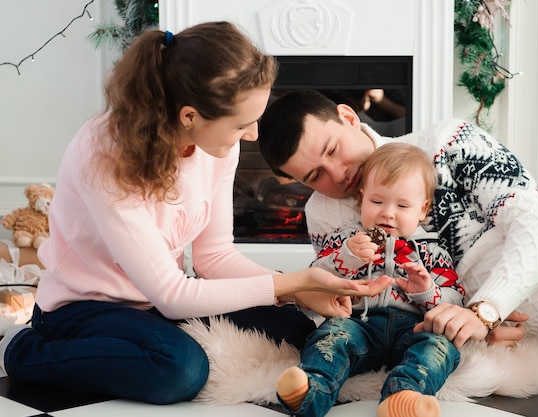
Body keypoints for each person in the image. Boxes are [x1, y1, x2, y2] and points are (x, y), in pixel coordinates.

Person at [0, 24, 393, 404]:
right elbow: (173, 295)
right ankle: (28, 350)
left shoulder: (219, 144)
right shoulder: (104, 155)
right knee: (180, 369)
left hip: (152, 301)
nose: (253, 134)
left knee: (294, 329)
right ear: (190, 116)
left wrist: (299, 290)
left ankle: (145, 338)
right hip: (83, 307)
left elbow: (214, 258)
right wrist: (290, 281)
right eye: (241, 124)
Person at [258, 89, 538, 393]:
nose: (339, 174)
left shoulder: (446, 141)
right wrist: (477, 334)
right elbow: (374, 310)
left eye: (333, 149)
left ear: (349, 118)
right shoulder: (325, 215)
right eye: (315, 175)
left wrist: (486, 311)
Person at [275, 143, 464, 417]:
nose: (388, 212)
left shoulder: (433, 252)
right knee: (330, 338)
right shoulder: (345, 240)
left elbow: (456, 300)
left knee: (439, 348)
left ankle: (404, 397)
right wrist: (347, 257)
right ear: (361, 199)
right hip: (357, 323)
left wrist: (428, 292)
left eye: (402, 205)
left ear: (422, 210)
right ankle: (311, 391)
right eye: (377, 201)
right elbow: (314, 279)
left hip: (414, 327)